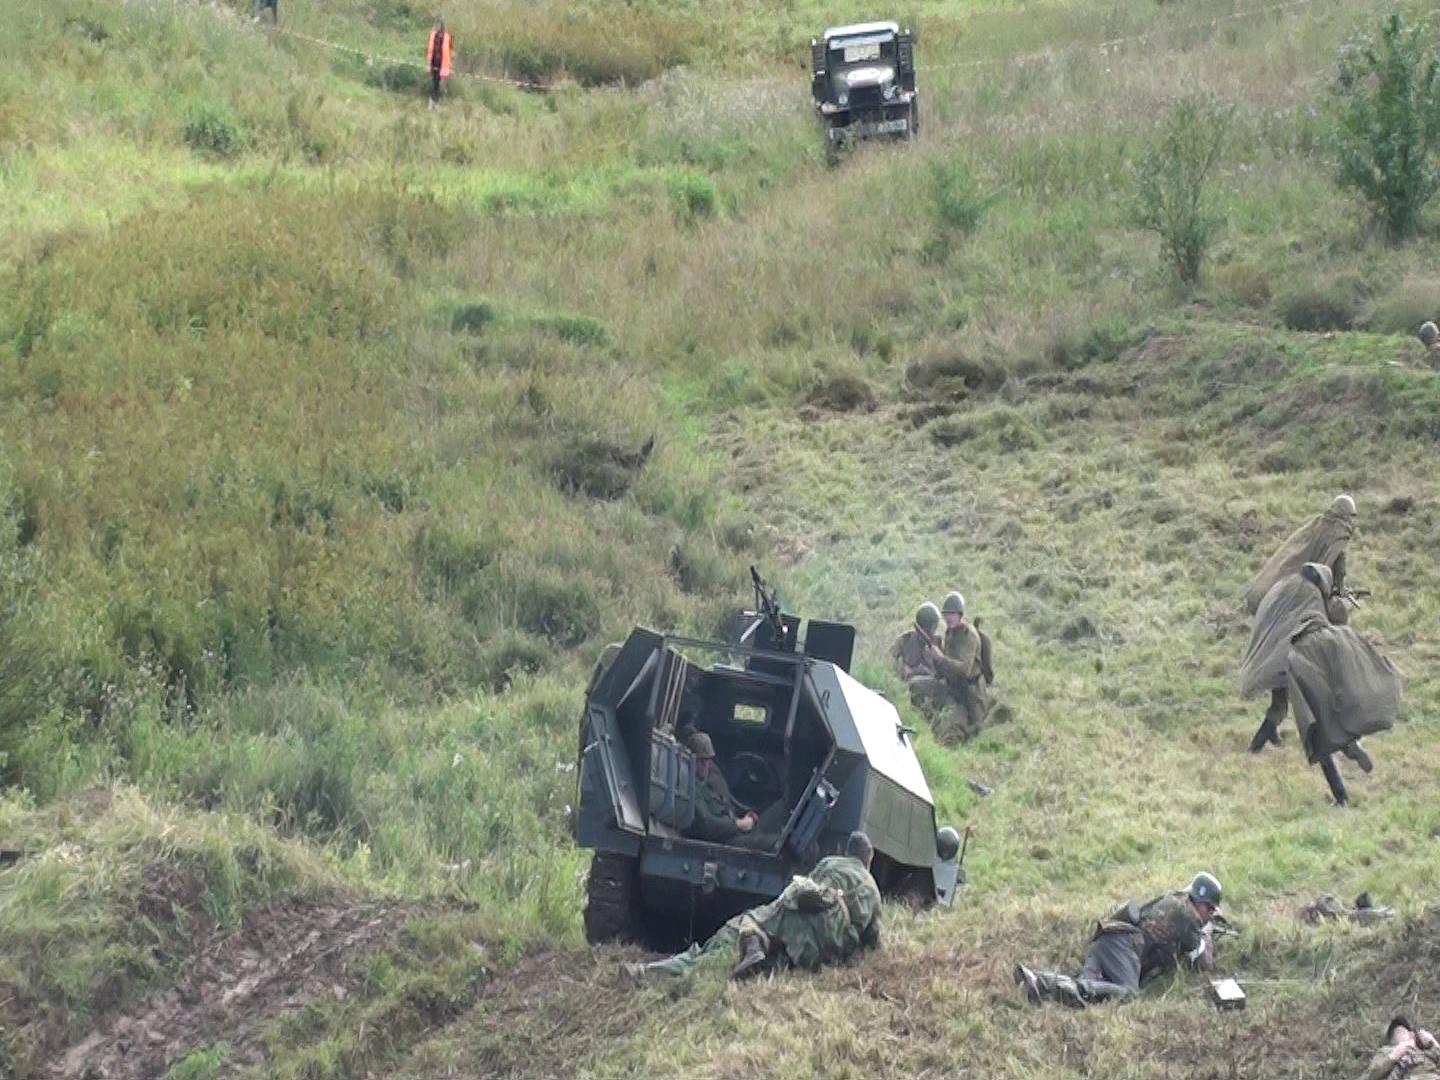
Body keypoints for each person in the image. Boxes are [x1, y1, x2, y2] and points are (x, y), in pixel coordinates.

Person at [1241, 563, 1401, 804]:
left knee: (1315, 728)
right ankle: (1346, 754)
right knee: (1324, 716)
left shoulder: (1284, 587)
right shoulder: (1315, 596)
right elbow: (1335, 618)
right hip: (1314, 655)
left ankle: (1340, 792)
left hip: (1289, 657)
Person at [624, 830, 882, 980]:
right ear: (868, 859)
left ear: (848, 852)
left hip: (795, 926)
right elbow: (873, 941)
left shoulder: (831, 863)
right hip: (826, 950)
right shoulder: (873, 891)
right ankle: (762, 955)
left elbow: (805, 893)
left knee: (715, 946)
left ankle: (645, 973)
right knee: (775, 951)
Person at [1013, 872, 1223, 1007]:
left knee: (1084, 992)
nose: (1209, 914)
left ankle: (1037, 981)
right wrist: (1208, 930)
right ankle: (1044, 982)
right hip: (1122, 947)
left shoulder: (1174, 901)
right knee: (1128, 994)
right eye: (1210, 910)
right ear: (1203, 905)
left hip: (1106, 940)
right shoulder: (1188, 916)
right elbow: (1204, 964)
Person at [1243, 495, 1356, 615]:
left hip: (1274, 584)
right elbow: (1336, 567)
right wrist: (1340, 588)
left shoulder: (1317, 522)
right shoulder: (1339, 533)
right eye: (1351, 517)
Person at [685, 733, 786, 849]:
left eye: (708, 760)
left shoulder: (710, 783)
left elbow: (726, 807)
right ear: (690, 759)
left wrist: (744, 818)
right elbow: (707, 824)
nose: (705, 765)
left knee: (784, 804)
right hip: (724, 841)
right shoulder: (690, 788)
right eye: (700, 760)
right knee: (776, 843)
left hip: (737, 829)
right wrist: (739, 824)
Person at [928, 591, 991, 743]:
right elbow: (947, 666)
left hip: (970, 694)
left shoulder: (969, 635)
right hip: (953, 688)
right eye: (946, 614)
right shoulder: (950, 632)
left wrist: (941, 658)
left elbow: (964, 670)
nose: (948, 618)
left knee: (958, 731)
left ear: (960, 614)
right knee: (918, 687)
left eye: (952, 614)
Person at [890, 602, 951, 716]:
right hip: (908, 689)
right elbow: (890, 662)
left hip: (932, 691)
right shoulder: (906, 640)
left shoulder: (938, 644)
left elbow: (945, 672)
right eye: (934, 626)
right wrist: (905, 670)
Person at [1359, 1017, 1440, 1079]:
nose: (1410, 1034)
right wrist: (1393, 1057)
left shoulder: (1427, 1052)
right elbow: (1367, 1077)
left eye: (1409, 1032)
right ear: (1391, 1040)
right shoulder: (1386, 1052)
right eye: (1401, 1032)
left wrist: (1433, 1043)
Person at [426, 19, 453, 109]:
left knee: (437, 83)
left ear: (442, 26)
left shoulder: (447, 36)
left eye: (439, 25)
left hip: (442, 64)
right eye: (436, 25)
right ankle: (432, 101)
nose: (437, 26)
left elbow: (449, 51)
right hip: (433, 62)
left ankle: (435, 101)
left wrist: (448, 66)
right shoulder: (432, 35)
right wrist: (428, 63)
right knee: (434, 82)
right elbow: (429, 50)